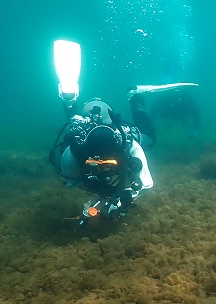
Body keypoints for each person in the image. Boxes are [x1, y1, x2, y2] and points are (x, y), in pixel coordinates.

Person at [49, 93, 155, 223]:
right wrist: (105, 191)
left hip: (115, 130)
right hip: (83, 142)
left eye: (108, 163)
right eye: (95, 163)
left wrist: (124, 197)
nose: (104, 170)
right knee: (73, 127)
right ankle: (69, 104)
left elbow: (146, 183)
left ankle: (136, 101)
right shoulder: (72, 154)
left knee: (149, 140)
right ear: (86, 159)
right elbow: (73, 182)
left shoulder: (129, 146)